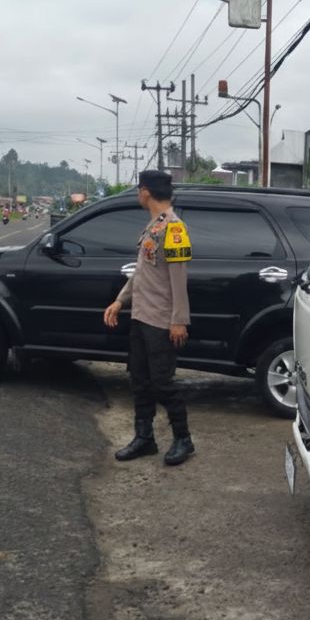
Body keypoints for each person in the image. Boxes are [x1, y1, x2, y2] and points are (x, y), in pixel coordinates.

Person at [103, 169, 194, 466]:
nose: (137, 195)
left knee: (162, 382)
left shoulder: (175, 229)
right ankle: (144, 438)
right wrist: (120, 300)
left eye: (138, 190)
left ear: (145, 192)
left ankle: (183, 438)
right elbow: (142, 272)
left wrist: (179, 320)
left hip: (161, 320)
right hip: (141, 315)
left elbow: (179, 279)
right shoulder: (154, 226)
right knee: (139, 380)